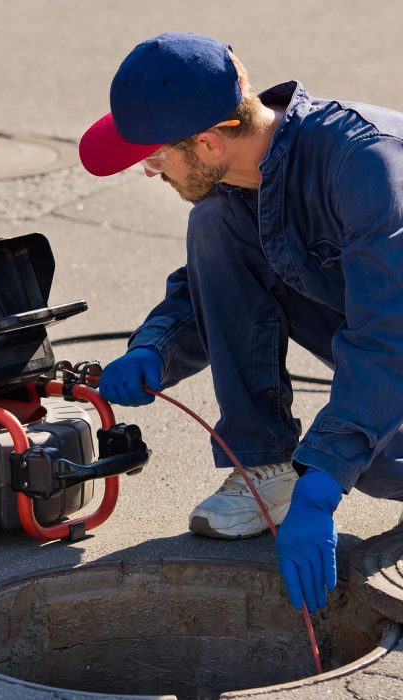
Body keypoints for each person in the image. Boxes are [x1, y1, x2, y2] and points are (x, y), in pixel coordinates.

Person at [79, 31, 403, 613]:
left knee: (373, 462)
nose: (149, 172)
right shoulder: (250, 168)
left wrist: (324, 484)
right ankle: (266, 470)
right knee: (216, 224)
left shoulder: (367, 168)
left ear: (206, 142)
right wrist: (156, 348)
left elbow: (391, 339)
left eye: (155, 156)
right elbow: (225, 276)